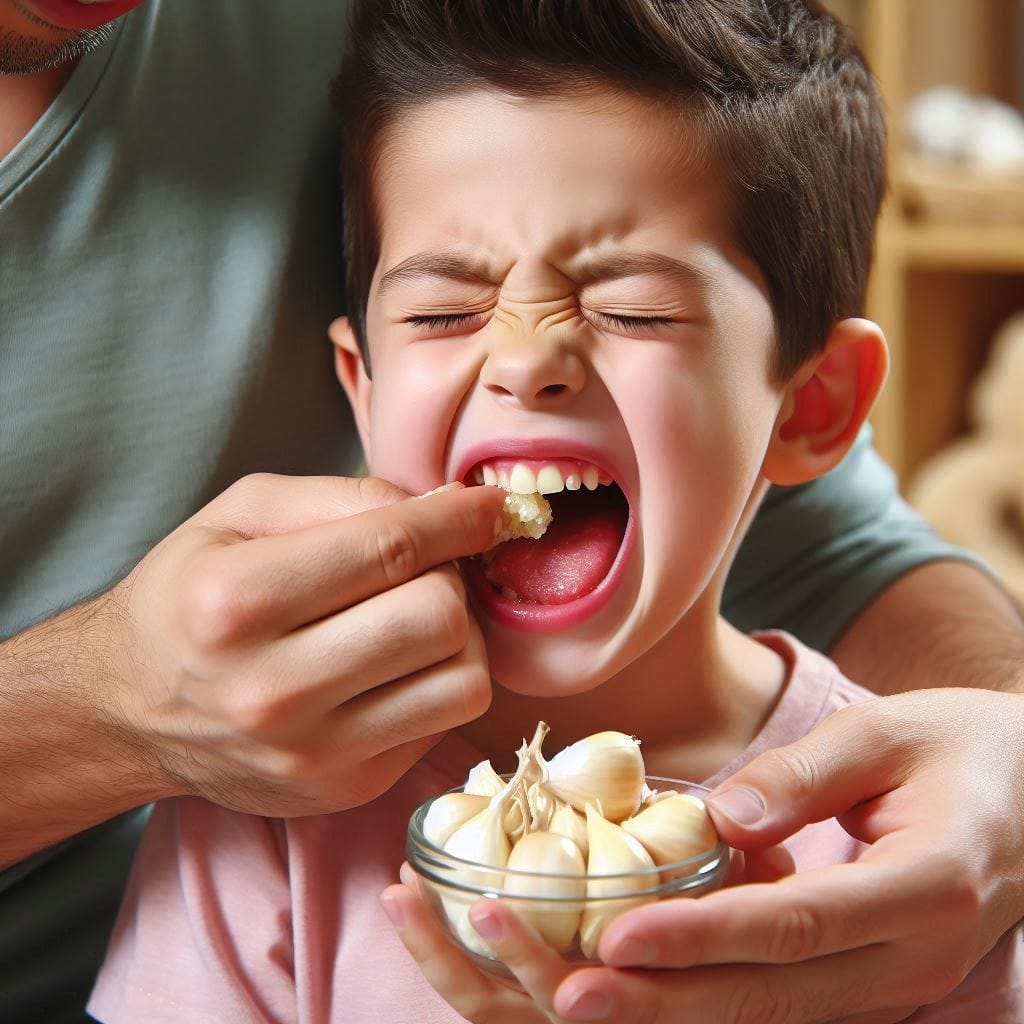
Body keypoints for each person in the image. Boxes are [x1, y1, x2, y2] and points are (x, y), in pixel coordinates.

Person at [2, 1, 1023, 1022]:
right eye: (445, 312)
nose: (529, 360)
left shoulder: (911, 849)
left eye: (634, 312)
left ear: (813, 402)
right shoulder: (258, 822)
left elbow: (855, 552)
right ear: (360, 384)